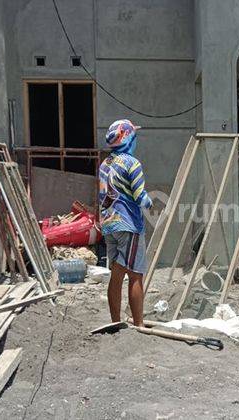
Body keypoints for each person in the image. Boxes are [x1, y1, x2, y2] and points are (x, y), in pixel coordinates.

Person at [99, 119, 152, 326]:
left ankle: (115, 322)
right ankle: (138, 324)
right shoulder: (132, 163)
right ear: (129, 138)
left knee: (117, 272)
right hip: (128, 224)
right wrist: (150, 203)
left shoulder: (105, 164)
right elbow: (140, 196)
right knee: (136, 273)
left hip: (109, 223)